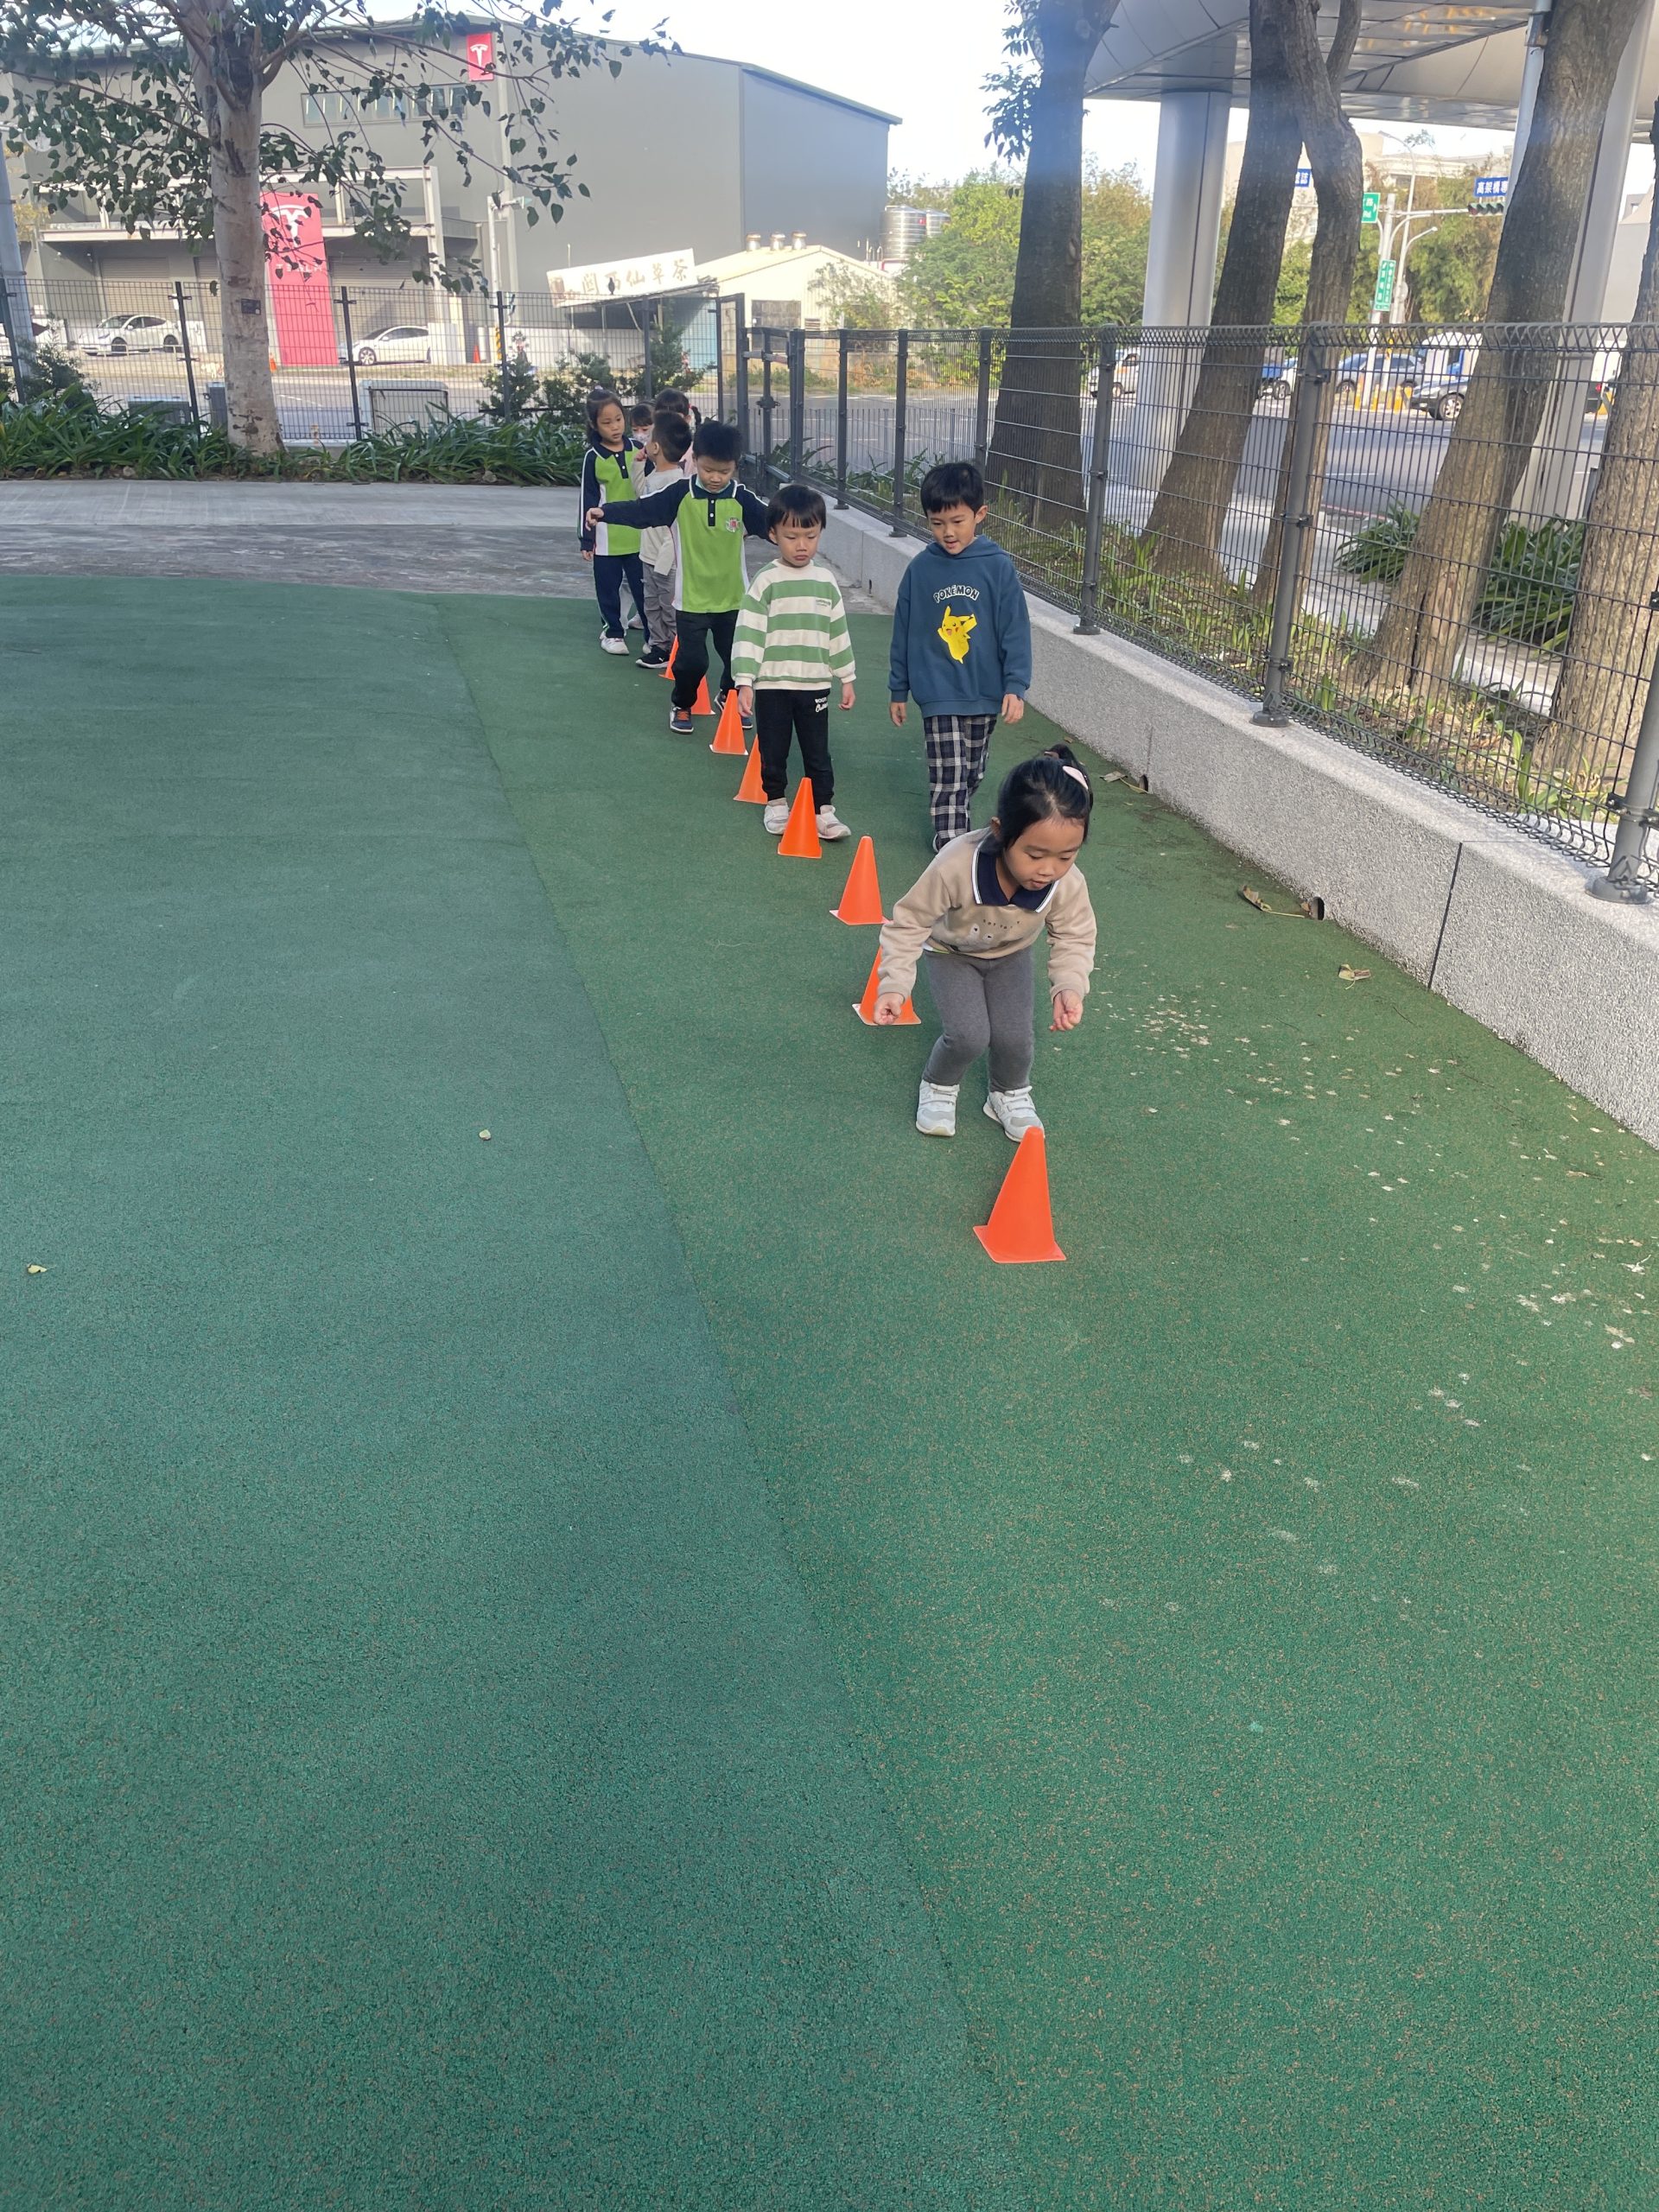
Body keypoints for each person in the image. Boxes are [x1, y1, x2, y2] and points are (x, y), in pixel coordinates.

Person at [874, 745, 1096, 1141]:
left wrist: (1069, 985)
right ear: (1000, 831)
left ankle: (1007, 1094)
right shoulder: (956, 864)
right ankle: (939, 1085)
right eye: (1034, 855)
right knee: (969, 1035)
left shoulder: (1066, 882)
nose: (1048, 870)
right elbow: (909, 922)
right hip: (952, 954)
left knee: (1015, 1037)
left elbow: (1074, 934)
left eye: (1066, 856)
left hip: (1010, 955)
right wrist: (894, 984)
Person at [586, 419, 771, 735]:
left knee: (737, 659)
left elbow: (774, 524)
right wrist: (606, 513)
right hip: (691, 600)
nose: (716, 478)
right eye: (708, 469)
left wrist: (796, 531)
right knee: (692, 662)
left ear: (735, 467)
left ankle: (728, 696)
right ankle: (683, 703)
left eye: (724, 471)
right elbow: (642, 510)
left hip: (733, 599)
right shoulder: (679, 494)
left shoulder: (742, 499)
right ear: (694, 460)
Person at [888, 459, 1033, 850]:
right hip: (938, 690)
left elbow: (1015, 630)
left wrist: (1015, 685)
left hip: (984, 690)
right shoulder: (921, 570)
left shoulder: (997, 567)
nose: (948, 532)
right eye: (937, 523)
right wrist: (899, 688)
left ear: (980, 515)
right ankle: (951, 844)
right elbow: (903, 631)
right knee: (949, 772)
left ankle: (958, 823)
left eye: (957, 521)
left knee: (972, 771)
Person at [731, 483, 856, 842]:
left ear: (820, 533)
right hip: (773, 685)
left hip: (815, 685)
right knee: (774, 748)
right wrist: (744, 681)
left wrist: (846, 676)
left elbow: (837, 632)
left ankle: (824, 811)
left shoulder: (825, 582)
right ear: (773, 535)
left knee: (818, 752)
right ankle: (775, 803)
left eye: (810, 536)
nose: (802, 545)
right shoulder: (766, 581)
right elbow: (749, 631)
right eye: (792, 537)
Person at [578, 389, 646, 657]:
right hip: (607, 539)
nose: (615, 426)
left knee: (644, 589)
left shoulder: (640, 450)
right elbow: (588, 499)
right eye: (607, 422)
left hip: (640, 536)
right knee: (608, 588)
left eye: (618, 419)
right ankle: (613, 633)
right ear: (595, 425)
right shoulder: (593, 457)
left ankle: (654, 637)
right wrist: (587, 539)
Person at [633, 410, 694, 671]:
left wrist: (664, 561)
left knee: (669, 608)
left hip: (667, 562)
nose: (643, 440)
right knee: (652, 605)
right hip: (648, 556)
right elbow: (640, 496)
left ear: (656, 447)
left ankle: (677, 650)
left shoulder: (677, 482)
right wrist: (638, 464)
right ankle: (659, 646)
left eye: (648, 436)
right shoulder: (655, 476)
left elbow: (678, 528)